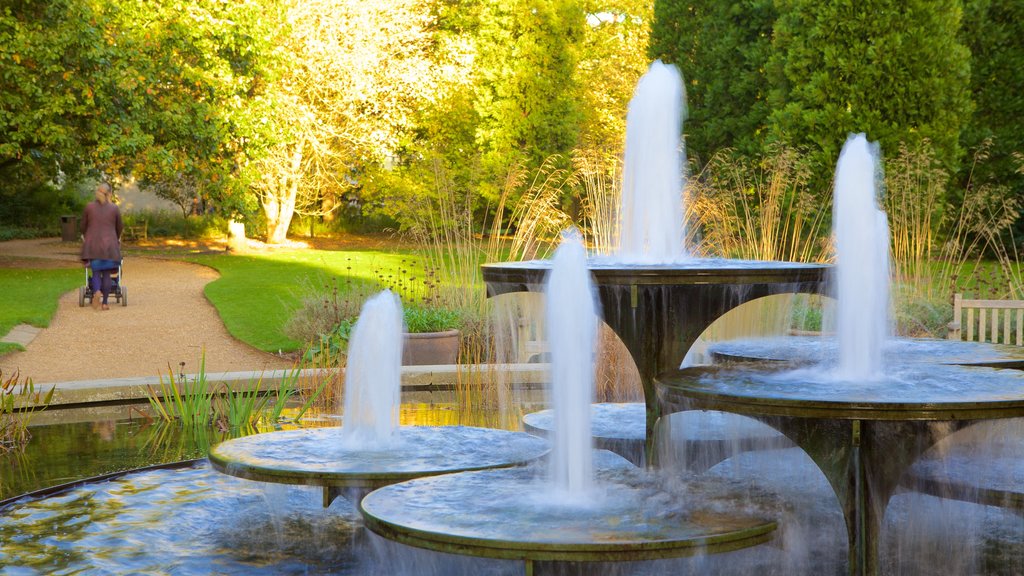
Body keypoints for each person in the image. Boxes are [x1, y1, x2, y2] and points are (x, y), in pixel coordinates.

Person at [80, 182, 123, 311]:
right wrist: (116, 237)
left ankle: (97, 291)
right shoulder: (114, 208)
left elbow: (83, 226)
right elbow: (119, 227)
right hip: (110, 246)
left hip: (93, 246)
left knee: (96, 272)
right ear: (109, 194)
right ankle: (104, 303)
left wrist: (85, 235)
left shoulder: (89, 207)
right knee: (107, 274)